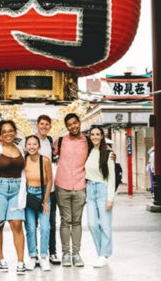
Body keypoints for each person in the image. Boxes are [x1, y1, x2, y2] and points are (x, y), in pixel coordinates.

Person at [0, 119, 28, 275]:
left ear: (15, 132)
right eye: (4, 132)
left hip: (17, 190)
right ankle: (0, 259)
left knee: (17, 224)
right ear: (0, 134)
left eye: (10, 130)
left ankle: (20, 261)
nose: (8, 134)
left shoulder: (21, 150)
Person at [53, 112, 89, 267]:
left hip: (80, 186)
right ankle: (66, 253)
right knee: (65, 220)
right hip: (62, 185)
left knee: (77, 221)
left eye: (75, 123)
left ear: (79, 122)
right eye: (69, 125)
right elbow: (45, 153)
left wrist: (111, 156)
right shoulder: (60, 141)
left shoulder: (87, 141)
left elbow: (100, 153)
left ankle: (76, 253)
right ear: (66, 127)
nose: (73, 126)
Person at [85, 125, 116, 268]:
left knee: (105, 225)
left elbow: (112, 178)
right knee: (92, 224)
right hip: (90, 189)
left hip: (103, 189)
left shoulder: (108, 154)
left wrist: (110, 198)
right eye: (92, 134)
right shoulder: (88, 152)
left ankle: (104, 254)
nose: (95, 137)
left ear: (102, 136)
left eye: (98, 134)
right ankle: (101, 253)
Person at [22, 135, 53, 271]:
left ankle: (44, 256)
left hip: (43, 193)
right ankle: (33, 256)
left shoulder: (45, 160)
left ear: (39, 146)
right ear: (25, 147)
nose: (32, 147)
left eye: (35, 144)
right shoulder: (23, 160)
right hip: (28, 195)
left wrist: (45, 201)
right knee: (30, 227)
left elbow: (50, 181)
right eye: (29, 144)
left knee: (45, 227)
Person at [34, 114, 61, 264]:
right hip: (33, 188)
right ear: (37, 125)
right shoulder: (30, 141)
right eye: (42, 124)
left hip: (50, 189)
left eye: (47, 124)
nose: (44, 127)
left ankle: (52, 252)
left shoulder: (50, 141)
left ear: (50, 127)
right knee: (33, 224)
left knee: (50, 222)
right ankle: (34, 254)